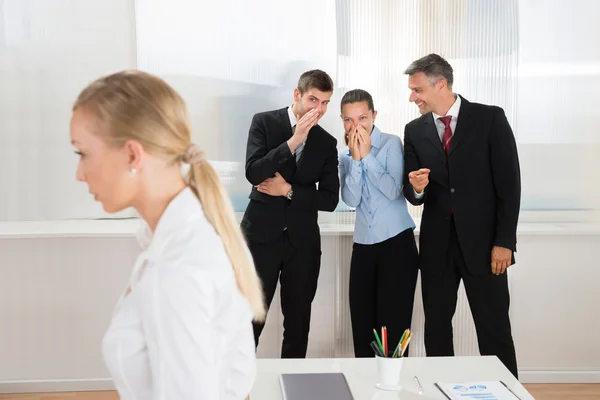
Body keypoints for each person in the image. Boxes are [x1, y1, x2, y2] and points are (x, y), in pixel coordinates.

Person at [70, 70, 265, 399]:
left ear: (133, 154)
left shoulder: (177, 269)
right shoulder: (195, 232)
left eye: (83, 153)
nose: (79, 174)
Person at [402, 54, 521, 377]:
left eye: (417, 89)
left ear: (441, 84)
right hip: (437, 248)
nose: (412, 96)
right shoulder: (414, 130)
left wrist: (504, 242)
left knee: (494, 328)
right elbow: (411, 191)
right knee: (437, 330)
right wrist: (416, 187)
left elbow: (509, 187)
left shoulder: (490, 119)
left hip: (486, 248)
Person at [241, 69, 340, 358]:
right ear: (297, 95)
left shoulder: (327, 143)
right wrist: (294, 141)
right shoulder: (264, 122)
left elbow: (330, 199)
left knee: (298, 325)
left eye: (325, 103)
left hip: (303, 245)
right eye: (313, 100)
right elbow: (253, 172)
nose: (318, 109)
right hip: (260, 239)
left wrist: (289, 190)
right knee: (249, 320)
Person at [338, 89, 419, 357]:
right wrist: (357, 160)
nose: (356, 126)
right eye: (349, 120)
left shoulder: (391, 143)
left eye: (362, 117)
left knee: (393, 330)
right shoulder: (345, 156)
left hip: (397, 246)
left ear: (374, 115)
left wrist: (368, 156)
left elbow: (394, 189)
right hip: (363, 248)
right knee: (363, 327)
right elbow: (351, 198)